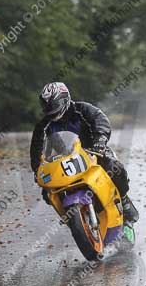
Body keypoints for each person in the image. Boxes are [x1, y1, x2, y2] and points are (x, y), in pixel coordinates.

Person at [30, 82, 139, 224]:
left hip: (93, 150)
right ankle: (73, 220)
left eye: (53, 106)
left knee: (114, 167)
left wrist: (100, 140)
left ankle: (124, 199)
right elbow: (36, 149)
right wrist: (37, 168)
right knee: (47, 192)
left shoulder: (82, 109)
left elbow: (101, 120)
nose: (50, 110)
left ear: (64, 100)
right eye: (47, 107)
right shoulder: (43, 126)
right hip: (63, 160)